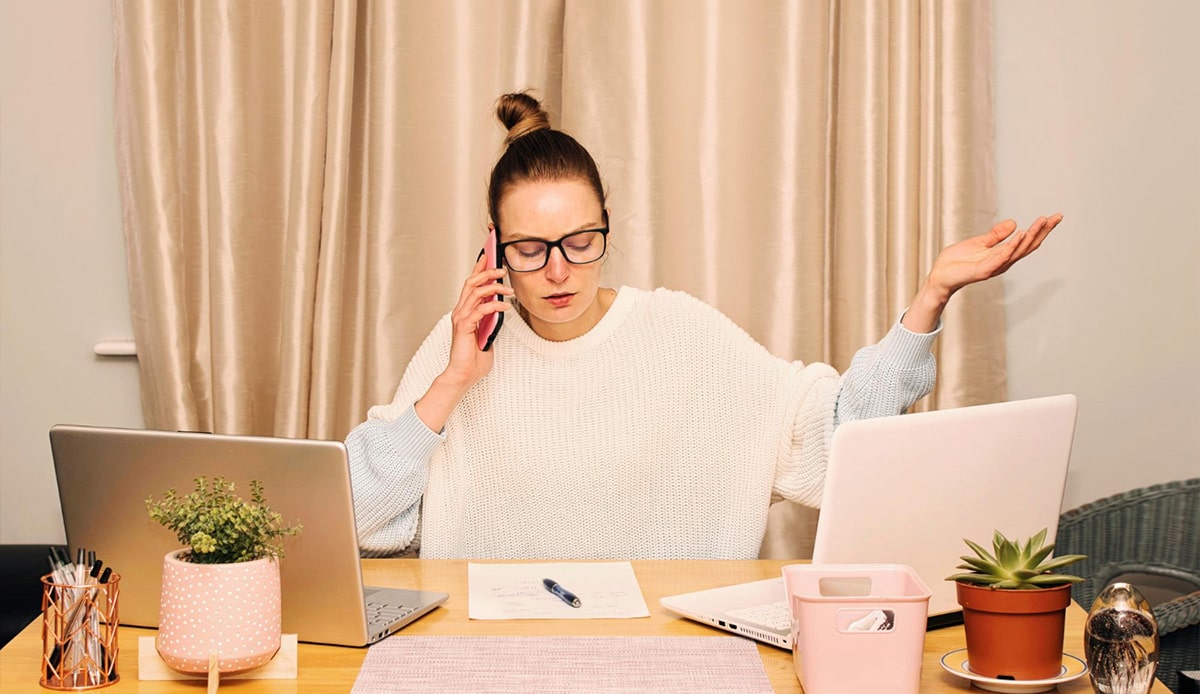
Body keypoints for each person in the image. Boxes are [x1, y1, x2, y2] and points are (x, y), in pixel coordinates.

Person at [347, 92, 1061, 560]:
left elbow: (839, 433)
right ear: (493, 248)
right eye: (530, 249)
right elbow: (358, 518)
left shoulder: (681, 334)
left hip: (664, 654)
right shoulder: (462, 348)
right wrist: (449, 385)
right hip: (486, 655)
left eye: (580, 241)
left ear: (608, 229)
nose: (559, 271)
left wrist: (929, 299)